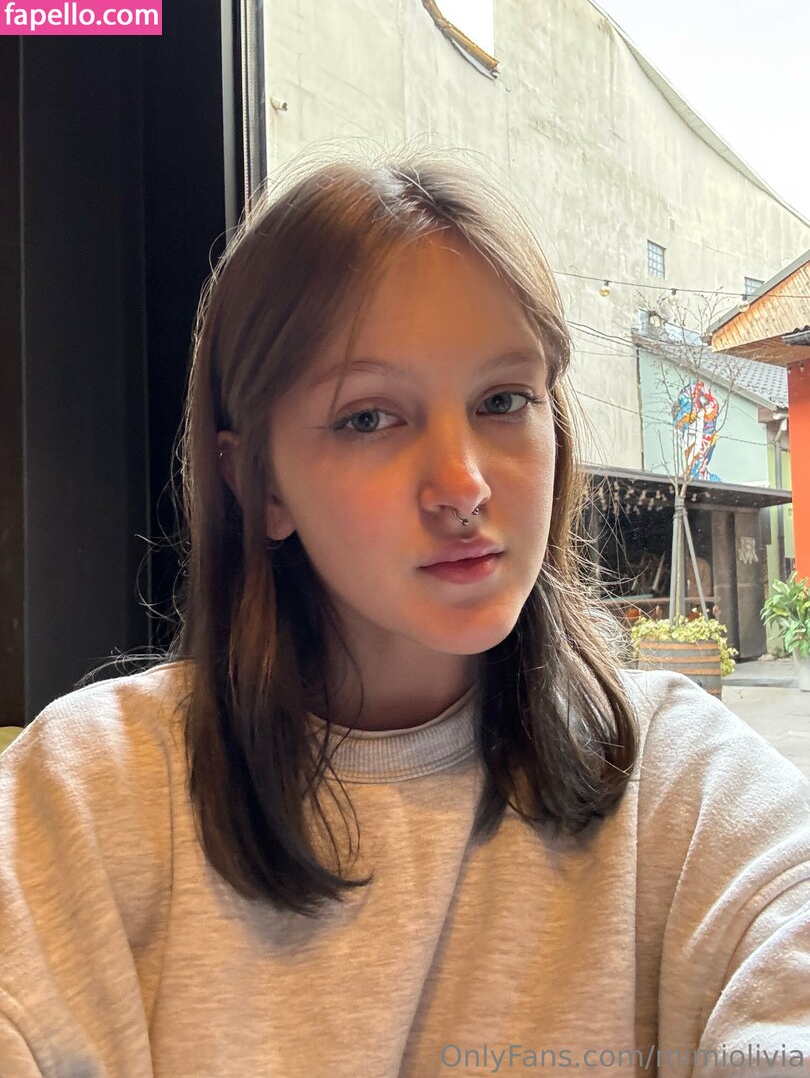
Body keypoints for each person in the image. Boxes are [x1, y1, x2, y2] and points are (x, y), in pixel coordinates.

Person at [1, 149, 808, 1078]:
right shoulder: (94, 792)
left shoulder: (674, 777)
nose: (464, 485)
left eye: (503, 400)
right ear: (259, 483)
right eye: (369, 417)